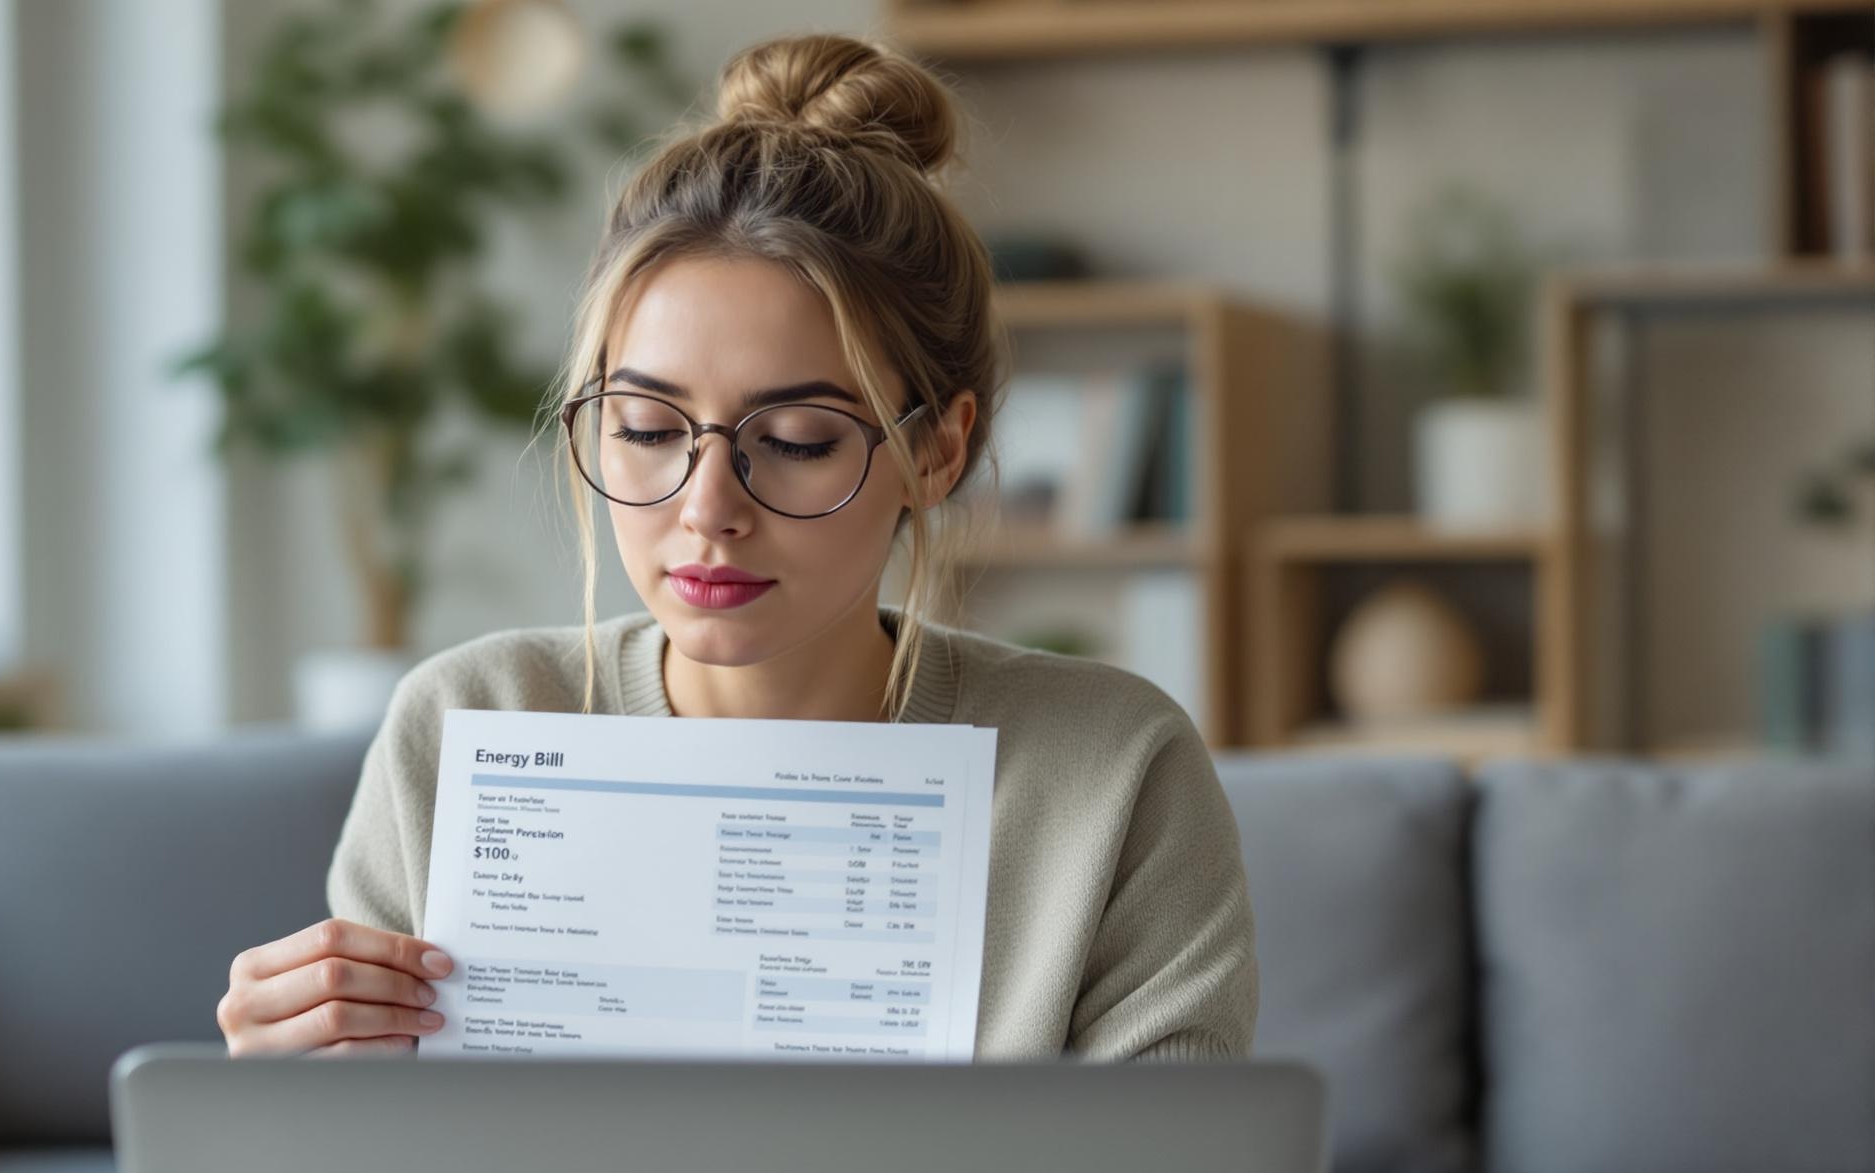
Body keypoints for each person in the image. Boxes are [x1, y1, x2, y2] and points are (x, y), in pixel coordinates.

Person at [218, 33, 1257, 1062]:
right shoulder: (466, 722)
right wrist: (304, 1104)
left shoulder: (1112, 772)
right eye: (646, 429)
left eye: (798, 440)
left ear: (935, 452)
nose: (708, 506)